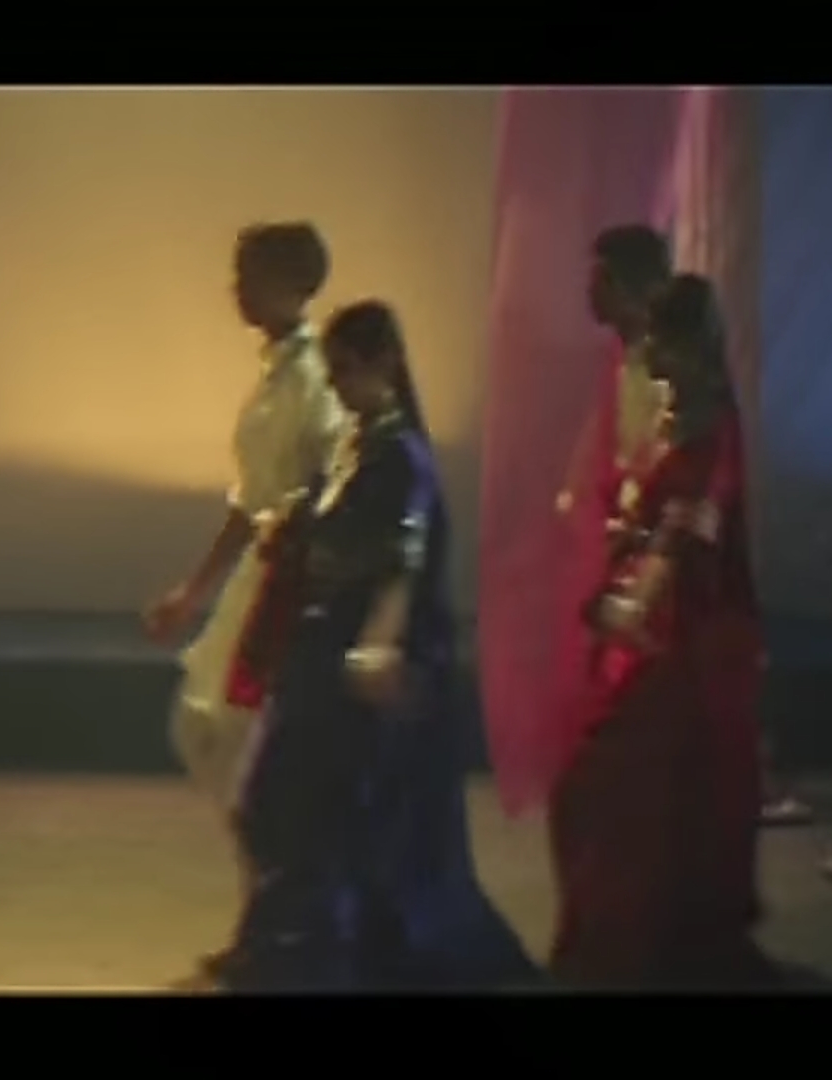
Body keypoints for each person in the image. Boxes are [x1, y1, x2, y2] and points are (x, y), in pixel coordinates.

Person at [212, 299, 537, 991]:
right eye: (332, 372)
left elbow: (402, 562)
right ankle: (290, 946)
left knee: (328, 814)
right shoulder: (355, 446)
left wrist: (379, 643)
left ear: (384, 362)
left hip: (351, 663)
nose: (337, 386)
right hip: (318, 653)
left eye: (347, 370)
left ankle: (317, 953)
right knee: (272, 802)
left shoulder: (402, 457)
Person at [547, 273, 774, 988]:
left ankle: (642, 941)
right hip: (653, 617)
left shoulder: (713, 426)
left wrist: (636, 603)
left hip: (688, 632)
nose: (650, 354)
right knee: (608, 782)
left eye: (661, 340)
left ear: (690, 343)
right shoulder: (675, 413)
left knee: (623, 778)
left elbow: (687, 530)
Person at [144, 222, 349, 986]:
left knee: (256, 753)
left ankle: (284, 924)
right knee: (217, 737)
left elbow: (324, 488)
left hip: (290, 589)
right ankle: (265, 915)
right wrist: (193, 591)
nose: (238, 290)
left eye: (252, 275)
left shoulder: (315, 380)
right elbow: (248, 500)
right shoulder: (274, 375)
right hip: (261, 578)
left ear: (295, 283)